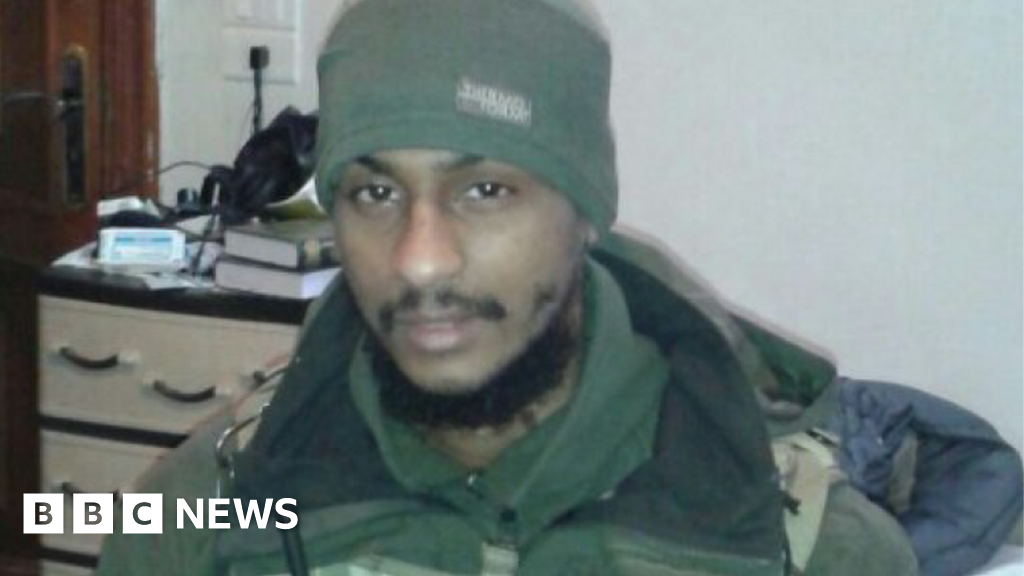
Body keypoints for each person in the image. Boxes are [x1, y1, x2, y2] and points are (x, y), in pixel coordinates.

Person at [97, 0, 923, 574]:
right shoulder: (206, 513)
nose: (420, 261)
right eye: (376, 192)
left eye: (485, 190)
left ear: (585, 213)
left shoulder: (809, 553)